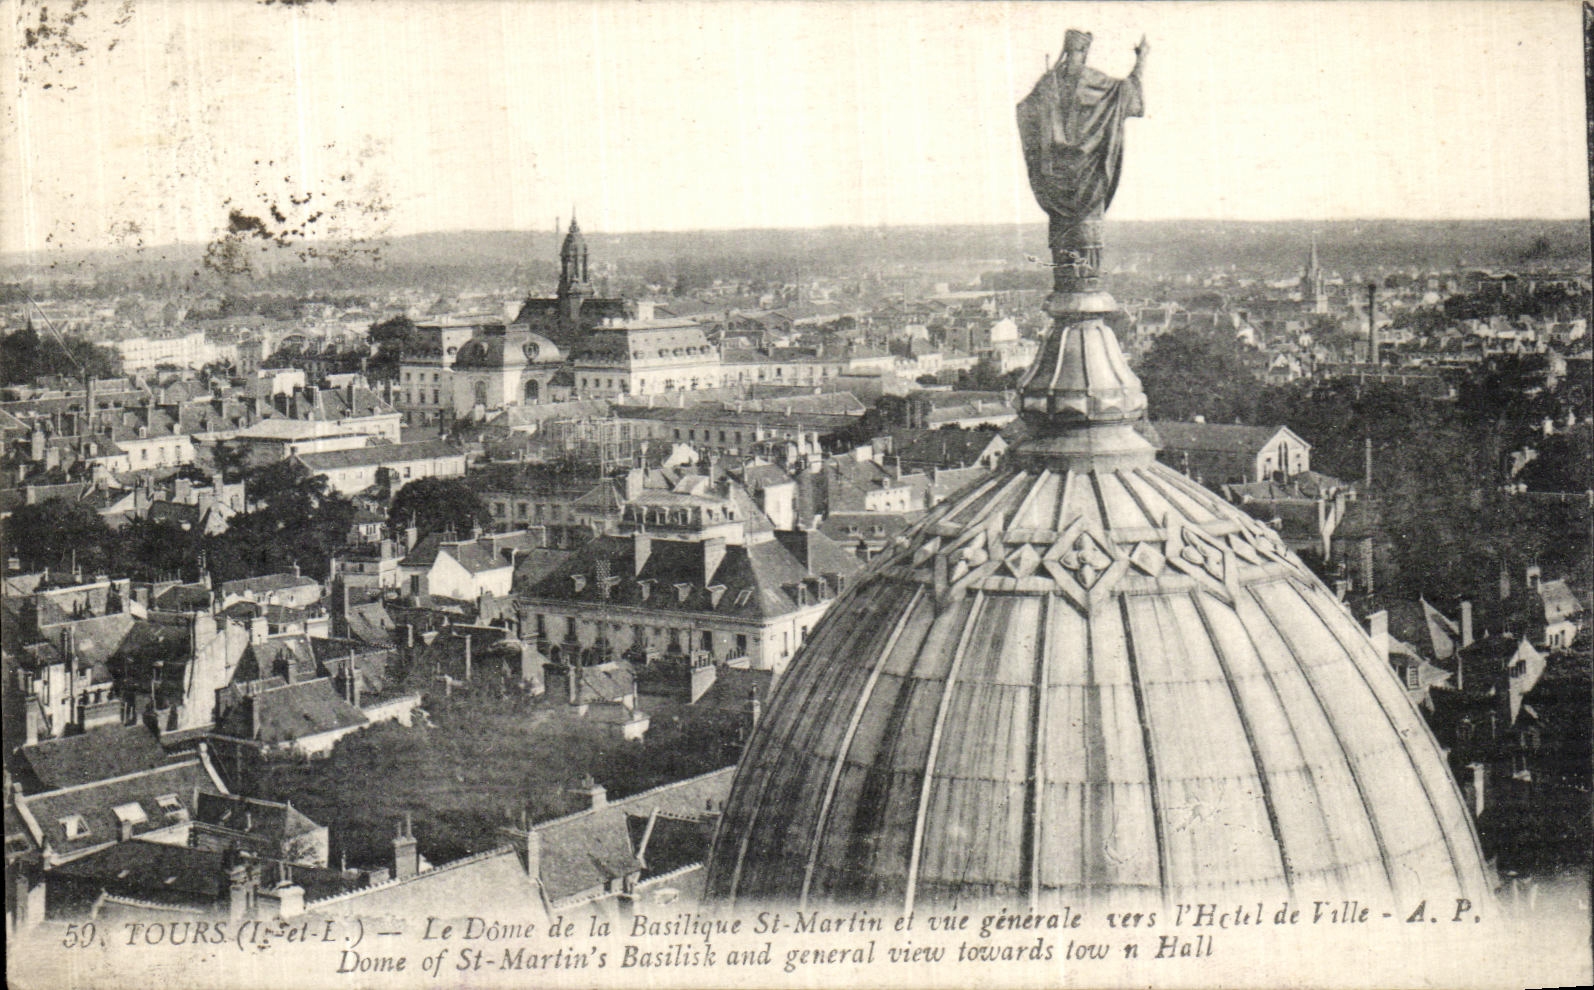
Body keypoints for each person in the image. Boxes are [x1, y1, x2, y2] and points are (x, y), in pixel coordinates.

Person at [1017, 30, 1148, 292]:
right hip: (1090, 180)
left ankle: (1068, 282)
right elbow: (1127, 95)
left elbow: (1024, 110)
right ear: (1085, 51)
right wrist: (1141, 61)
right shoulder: (1094, 81)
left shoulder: (1048, 82)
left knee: (1065, 241)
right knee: (1087, 240)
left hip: (1055, 181)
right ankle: (1087, 280)